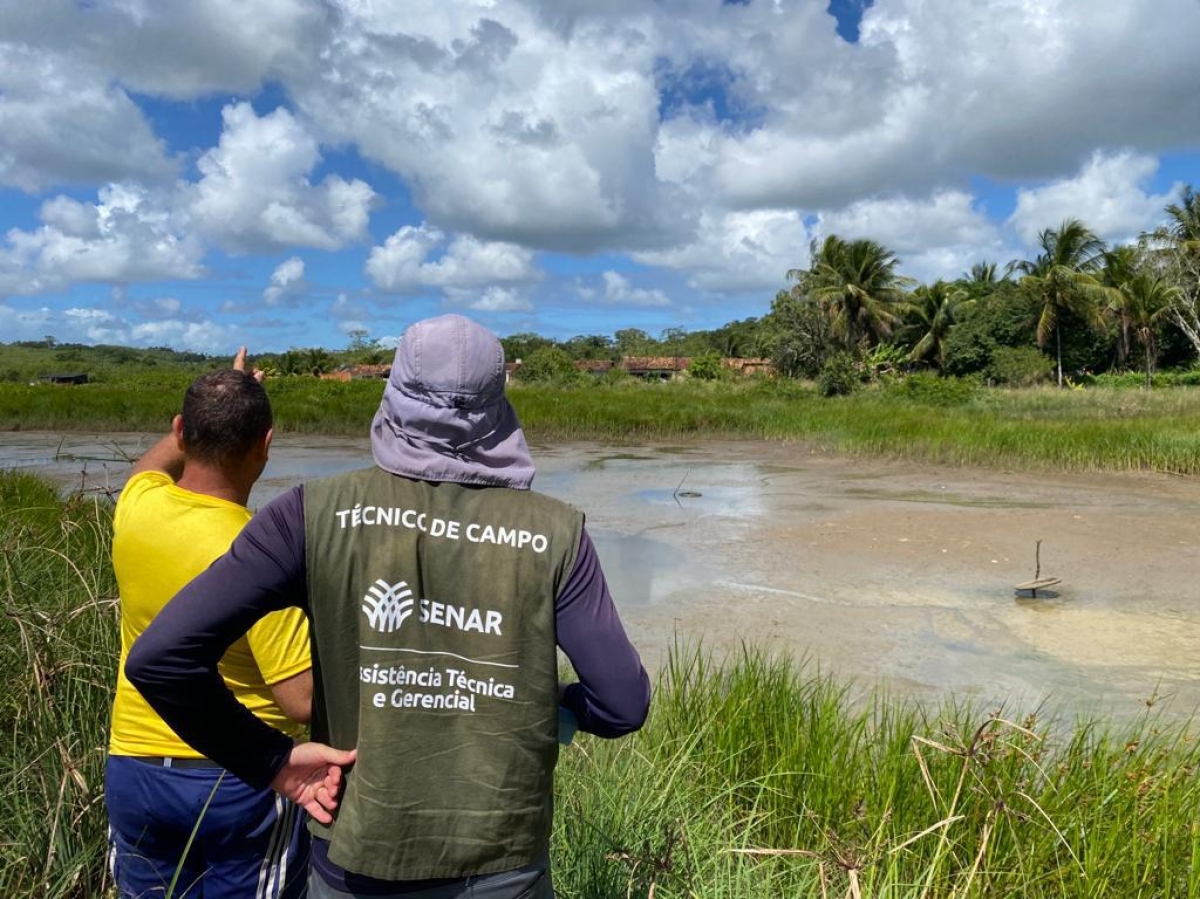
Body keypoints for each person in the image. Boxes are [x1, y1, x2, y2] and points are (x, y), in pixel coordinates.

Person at [127, 315, 651, 898]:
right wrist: (551, 703)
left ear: (394, 395)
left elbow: (161, 658)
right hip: (503, 862)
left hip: (354, 852)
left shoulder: (308, 514)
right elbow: (623, 703)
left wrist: (271, 760)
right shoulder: (558, 532)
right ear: (499, 403)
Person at [107, 350, 313, 899]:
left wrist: (217, 400)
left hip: (134, 766)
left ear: (180, 430)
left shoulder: (137, 507)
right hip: (238, 779)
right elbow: (300, 700)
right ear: (265, 445)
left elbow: (146, 468)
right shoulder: (264, 555)